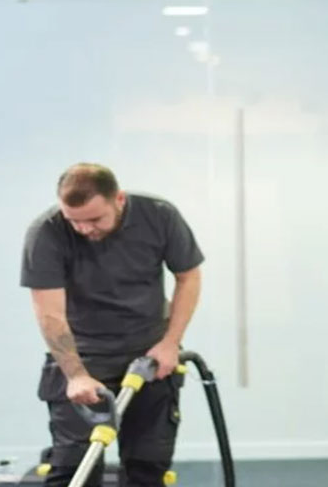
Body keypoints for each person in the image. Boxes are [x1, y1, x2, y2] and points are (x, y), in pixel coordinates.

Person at [21, 163, 205, 486]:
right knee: (72, 469)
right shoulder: (47, 231)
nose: (83, 229)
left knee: (148, 470)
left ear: (118, 199)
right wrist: (76, 375)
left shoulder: (159, 217)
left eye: (94, 219)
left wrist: (170, 342)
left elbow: (188, 277)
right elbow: (50, 313)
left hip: (149, 357)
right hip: (81, 358)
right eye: (74, 220)